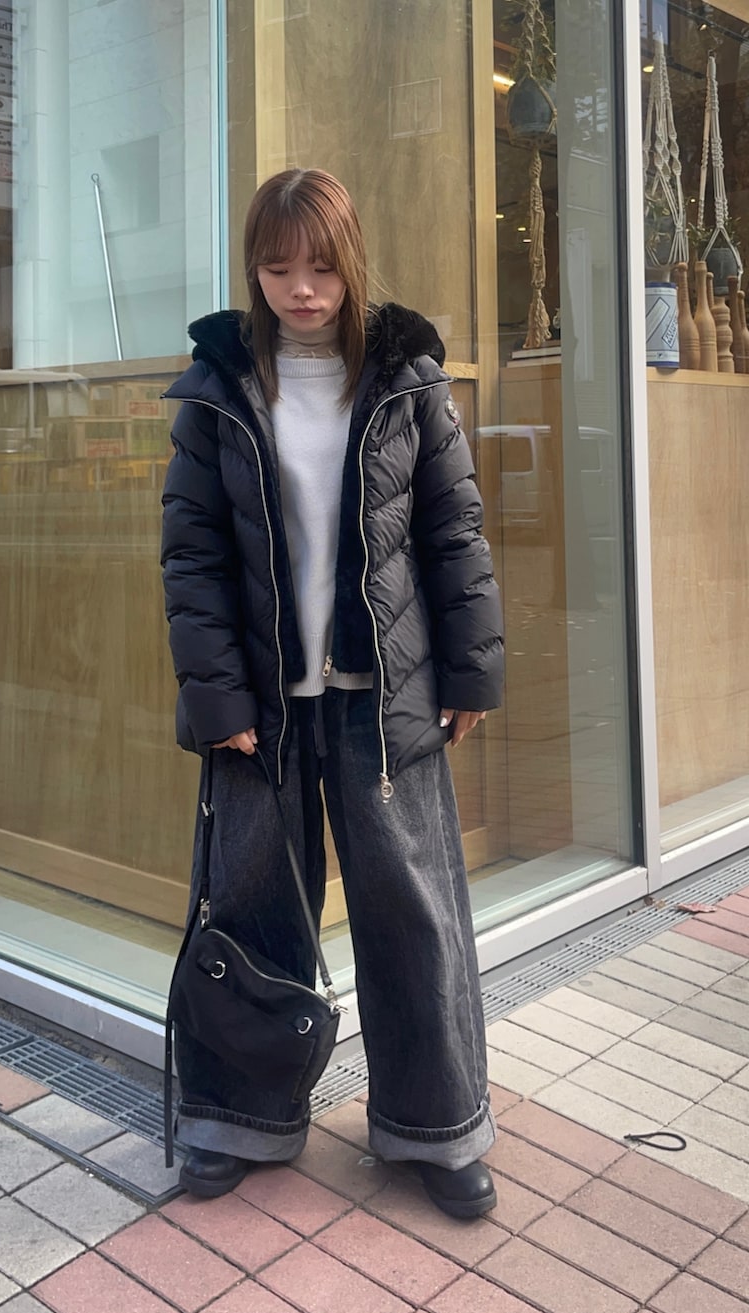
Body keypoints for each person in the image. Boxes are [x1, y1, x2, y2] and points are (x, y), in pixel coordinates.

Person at [160, 168, 504, 1219]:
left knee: (413, 914)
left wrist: (470, 669)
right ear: (254, 271)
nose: (301, 289)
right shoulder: (219, 385)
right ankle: (236, 1119)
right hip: (262, 706)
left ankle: (436, 1128)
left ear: (351, 262)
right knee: (253, 903)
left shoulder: (405, 377)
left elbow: (453, 532)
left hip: (381, 694)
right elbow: (192, 556)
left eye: (319, 266)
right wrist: (218, 702)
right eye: (278, 269)